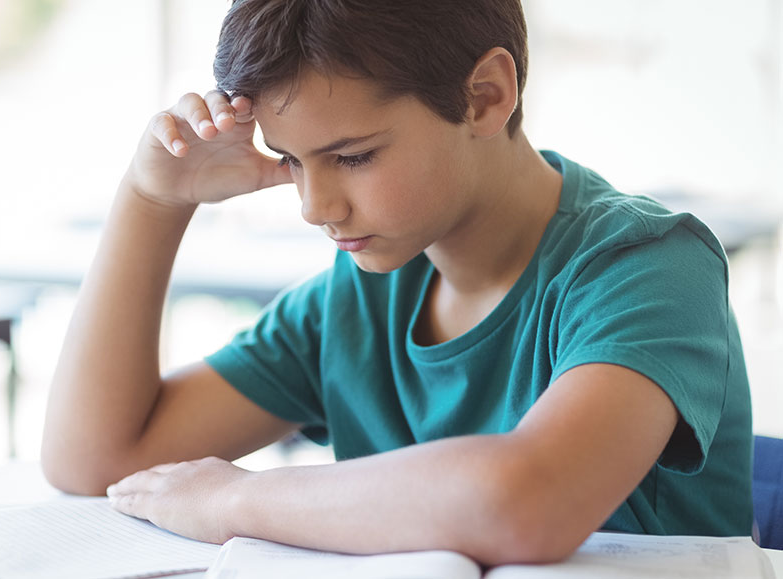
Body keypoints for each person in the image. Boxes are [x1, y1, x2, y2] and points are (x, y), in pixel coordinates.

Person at [40, 0, 753, 565]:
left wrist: (237, 499)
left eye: (351, 157)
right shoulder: (356, 297)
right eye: (290, 161)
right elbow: (96, 458)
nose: (313, 207)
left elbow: (529, 500)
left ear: (484, 95)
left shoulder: (648, 266)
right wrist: (153, 199)